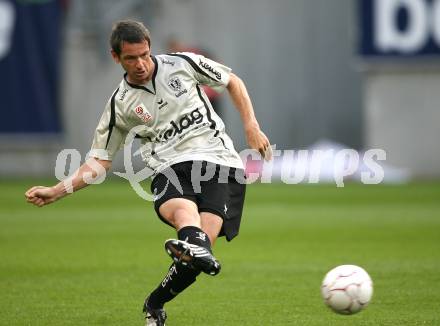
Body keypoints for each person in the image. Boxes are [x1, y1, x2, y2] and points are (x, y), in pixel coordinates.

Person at [25, 20, 270, 326]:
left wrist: (251, 125)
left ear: (150, 48)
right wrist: (56, 191)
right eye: (131, 58)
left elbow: (232, 81)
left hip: (219, 160)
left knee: (197, 255)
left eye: (144, 54)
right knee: (184, 218)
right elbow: (99, 162)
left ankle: (155, 303)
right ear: (116, 58)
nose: (140, 64)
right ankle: (193, 244)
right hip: (170, 166)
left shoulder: (182, 63)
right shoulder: (120, 104)